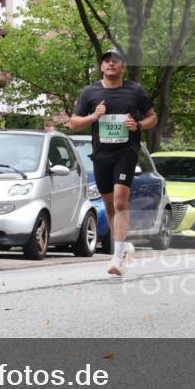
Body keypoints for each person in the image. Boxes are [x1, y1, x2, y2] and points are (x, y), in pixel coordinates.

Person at [69, 48, 156, 276]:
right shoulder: (90, 92)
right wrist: (93, 116)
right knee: (109, 205)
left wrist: (138, 125)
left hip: (126, 152)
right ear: (101, 66)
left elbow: (152, 117)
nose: (110, 64)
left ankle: (116, 257)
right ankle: (122, 244)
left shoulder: (134, 90)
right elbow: (73, 123)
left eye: (115, 61)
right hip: (101, 155)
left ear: (122, 66)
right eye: (106, 61)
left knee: (119, 201)